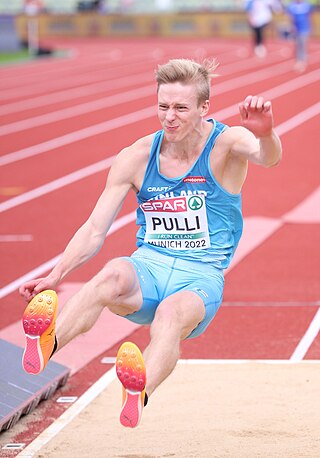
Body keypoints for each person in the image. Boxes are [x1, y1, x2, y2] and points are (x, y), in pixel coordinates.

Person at [19, 58, 282, 428]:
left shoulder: (227, 144)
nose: (169, 117)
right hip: (149, 268)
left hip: (199, 276)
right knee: (110, 274)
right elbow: (95, 229)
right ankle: (49, 343)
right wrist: (55, 275)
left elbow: (267, 158)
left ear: (204, 108)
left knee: (170, 316)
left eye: (180, 108)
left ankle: (138, 391)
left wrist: (267, 133)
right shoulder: (136, 156)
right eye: (162, 107)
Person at [285, 0, 314, 72]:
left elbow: (309, 16)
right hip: (296, 29)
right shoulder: (292, 6)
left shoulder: (306, 5)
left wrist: (311, 26)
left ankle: (303, 61)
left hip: (304, 28)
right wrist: (291, 26)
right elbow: (290, 17)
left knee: (303, 45)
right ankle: (298, 61)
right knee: (297, 45)